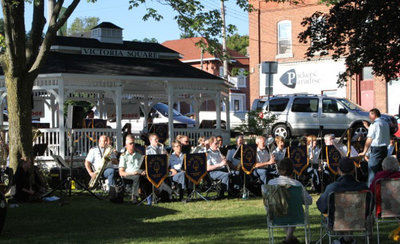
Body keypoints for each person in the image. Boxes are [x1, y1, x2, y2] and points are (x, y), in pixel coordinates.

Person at [267, 158, 312, 244]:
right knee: (291, 210)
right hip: (295, 216)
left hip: (276, 216)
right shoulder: (297, 185)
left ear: (279, 170)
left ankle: (288, 239)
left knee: (283, 209)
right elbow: (308, 201)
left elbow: (268, 202)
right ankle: (289, 239)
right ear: (292, 170)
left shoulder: (271, 183)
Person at [359, 108, 390, 186]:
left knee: (372, 170)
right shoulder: (385, 123)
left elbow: (369, 139)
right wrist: (367, 127)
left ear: (374, 115)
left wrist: (364, 152)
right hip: (384, 149)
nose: (369, 118)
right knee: (381, 172)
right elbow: (378, 133)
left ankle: (371, 190)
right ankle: (380, 191)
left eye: (370, 115)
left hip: (376, 149)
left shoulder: (374, 124)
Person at [118, 134, 146, 204]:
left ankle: (152, 196)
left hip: (139, 173)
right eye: (130, 143)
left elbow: (143, 167)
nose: (132, 145)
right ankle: (134, 197)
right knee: (136, 177)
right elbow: (121, 172)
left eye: (133, 143)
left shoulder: (139, 155)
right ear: (126, 145)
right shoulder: (123, 156)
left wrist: (143, 171)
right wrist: (133, 173)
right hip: (128, 175)